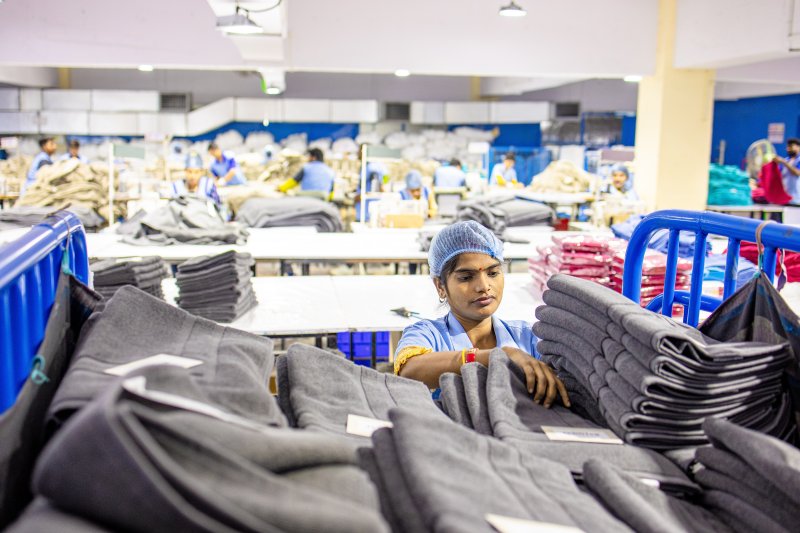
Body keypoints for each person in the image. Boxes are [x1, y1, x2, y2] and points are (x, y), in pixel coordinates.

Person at [394, 220, 569, 407]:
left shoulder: (528, 337)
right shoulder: (427, 334)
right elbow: (409, 369)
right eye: (466, 277)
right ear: (441, 286)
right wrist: (496, 357)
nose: (484, 286)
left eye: (493, 273)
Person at [776, 138, 800, 203]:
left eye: (791, 146)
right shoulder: (786, 160)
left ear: (798, 147)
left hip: (796, 199)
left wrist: (784, 162)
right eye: (787, 146)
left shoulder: (798, 160)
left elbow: (797, 173)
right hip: (784, 198)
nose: (788, 149)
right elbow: (778, 175)